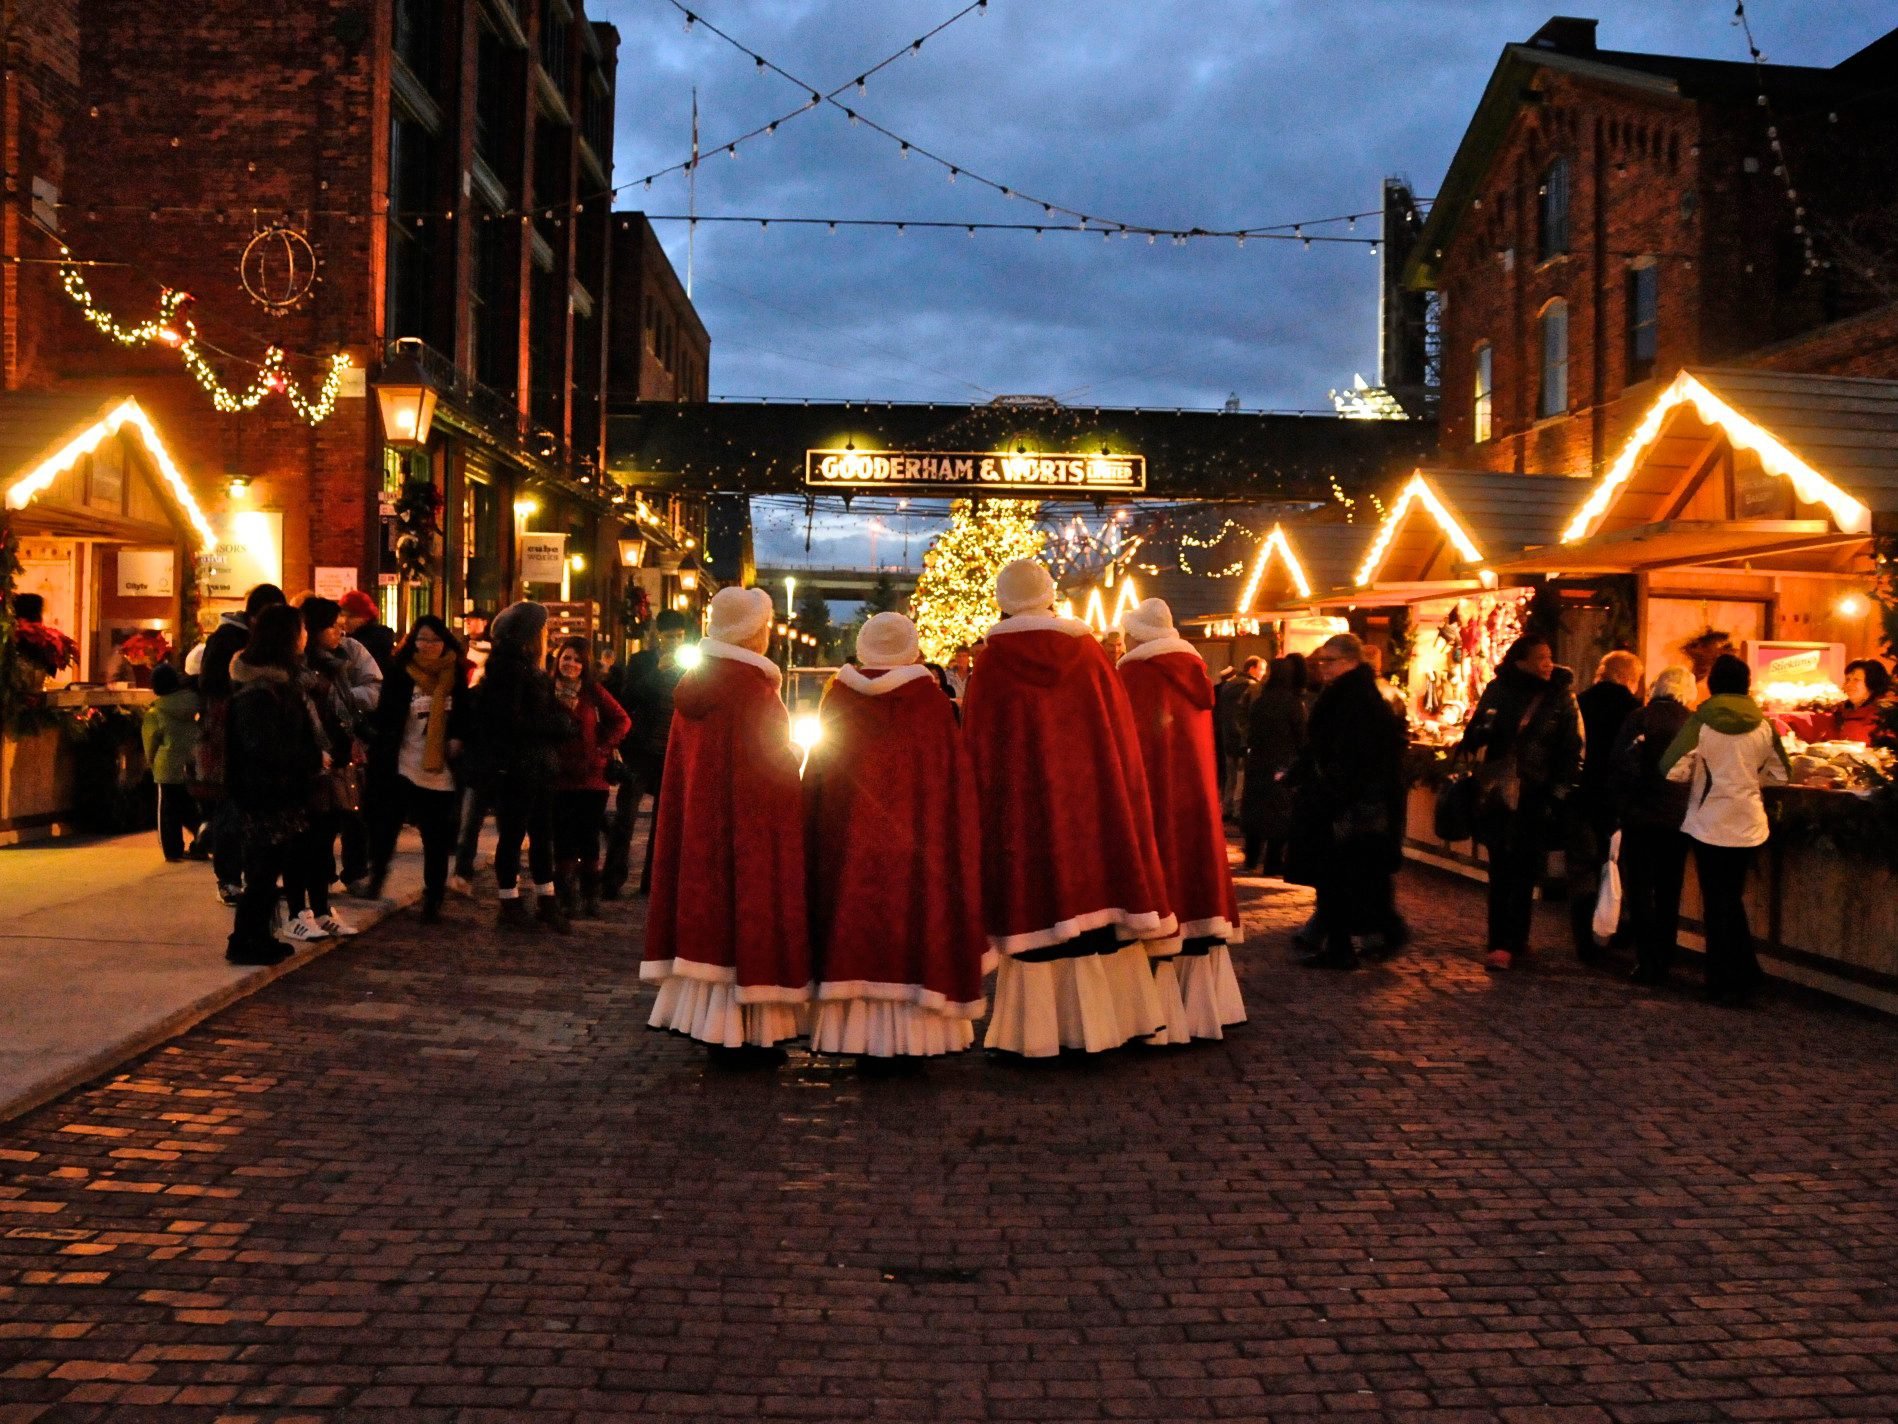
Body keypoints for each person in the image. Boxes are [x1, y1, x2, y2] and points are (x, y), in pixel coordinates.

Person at [961, 558, 1174, 1057]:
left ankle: (1035, 1035)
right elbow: (1117, 735)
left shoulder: (993, 662)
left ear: (1003, 600)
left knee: (1034, 908)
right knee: (1097, 911)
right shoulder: (1088, 653)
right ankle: (1114, 1022)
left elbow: (980, 749)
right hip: (1091, 809)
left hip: (1024, 814)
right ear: (1050, 595)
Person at [804, 612, 989, 1058]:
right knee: (916, 925)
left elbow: (822, 774)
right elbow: (952, 780)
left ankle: (850, 1033)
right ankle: (918, 1036)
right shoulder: (927, 702)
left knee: (852, 923)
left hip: (850, 843)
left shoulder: (840, 696)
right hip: (915, 845)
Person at [642, 586, 813, 1053]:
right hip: (748, 832)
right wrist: (797, 756)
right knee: (747, 920)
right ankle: (748, 1030)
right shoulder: (751, 688)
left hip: (702, 828)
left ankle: (705, 1020)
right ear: (751, 632)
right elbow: (770, 766)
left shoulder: (697, 685)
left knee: (708, 921)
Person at [1116, 599, 1246, 1040]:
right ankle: (1204, 1005)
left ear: (1137, 635)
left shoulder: (1134, 675)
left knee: (1159, 885)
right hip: (1196, 804)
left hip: (1149, 801)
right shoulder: (1197, 676)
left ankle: (1151, 1010)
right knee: (1194, 882)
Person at [1660, 653, 1789, 1005]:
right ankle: (1744, 973)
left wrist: (1698, 775)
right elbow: (1781, 773)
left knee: (1718, 901)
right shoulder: (1764, 725)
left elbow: (1669, 766)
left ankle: (1725, 979)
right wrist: (1750, 779)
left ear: (1713, 684)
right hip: (1749, 823)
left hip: (1708, 822)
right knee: (1730, 897)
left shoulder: (1700, 722)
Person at [1456, 635, 1582, 972]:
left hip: (1536, 794)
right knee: (1501, 867)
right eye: (1540, 656)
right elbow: (1474, 734)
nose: (1547, 662)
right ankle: (1500, 942)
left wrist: (1557, 792)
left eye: (1549, 655)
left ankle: (1517, 936)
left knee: (1526, 869)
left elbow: (1573, 748)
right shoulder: (1498, 690)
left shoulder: (1560, 695)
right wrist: (1480, 732)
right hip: (1499, 792)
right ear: (1520, 661)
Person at [1286, 634, 1407, 969]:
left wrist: (1333, 789)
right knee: (1343, 877)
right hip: (1343, 800)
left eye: (1330, 660)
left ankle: (1365, 938)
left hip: (1350, 804)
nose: (1322, 667)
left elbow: (1356, 755)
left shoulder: (1356, 699)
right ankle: (1344, 943)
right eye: (1321, 661)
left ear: (1351, 661)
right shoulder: (1345, 694)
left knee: (1346, 876)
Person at [222, 604, 323, 967]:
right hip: (264, 793)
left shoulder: (278, 683)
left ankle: (258, 937)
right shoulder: (260, 691)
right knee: (263, 870)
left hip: (276, 790)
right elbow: (262, 746)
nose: (306, 637)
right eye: (302, 630)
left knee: (268, 869)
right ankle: (245, 941)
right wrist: (304, 762)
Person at [467, 600, 572, 932]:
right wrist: (555, 725)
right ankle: (509, 902)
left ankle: (546, 899)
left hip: (537, 765)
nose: (547, 635)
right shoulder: (509, 670)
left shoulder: (528, 668)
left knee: (542, 834)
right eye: (544, 629)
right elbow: (511, 721)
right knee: (513, 835)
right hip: (518, 766)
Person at [360, 617, 471, 923]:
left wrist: (457, 738)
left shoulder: (455, 673)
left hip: (441, 771)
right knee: (386, 827)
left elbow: (464, 714)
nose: (428, 646)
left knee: (435, 839)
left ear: (445, 642)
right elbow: (386, 718)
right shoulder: (400, 672)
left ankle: (433, 898)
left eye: (434, 640)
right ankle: (376, 876)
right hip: (402, 764)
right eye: (421, 639)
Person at [197, 583, 286, 905]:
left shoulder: (258, 641)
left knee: (251, 812)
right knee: (231, 809)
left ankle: (251, 876)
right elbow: (210, 684)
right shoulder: (227, 640)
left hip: (249, 733)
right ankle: (229, 878)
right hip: (226, 734)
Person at [1609, 666, 1694, 986]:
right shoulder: (1693, 722)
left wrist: (1623, 807)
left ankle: (1646, 960)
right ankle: (1666, 955)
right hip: (1678, 818)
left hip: (1641, 817)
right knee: (1670, 889)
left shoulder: (1639, 718)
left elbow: (1621, 764)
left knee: (1641, 889)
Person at [285, 599, 362, 942]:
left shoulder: (335, 666)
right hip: (312, 764)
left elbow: (344, 712)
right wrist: (318, 750)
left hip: (336, 760)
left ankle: (320, 908)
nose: (340, 632)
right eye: (333, 625)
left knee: (325, 839)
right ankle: (297, 912)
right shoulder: (299, 672)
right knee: (306, 841)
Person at [602, 609, 691, 899]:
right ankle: (613, 879)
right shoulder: (642, 662)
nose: (675, 643)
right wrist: (658, 673)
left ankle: (652, 881)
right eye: (669, 638)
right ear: (658, 637)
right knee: (626, 816)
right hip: (641, 751)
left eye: (679, 638)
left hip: (671, 752)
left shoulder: (693, 665)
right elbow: (628, 697)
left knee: (662, 822)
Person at [550, 634, 631, 920]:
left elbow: (623, 720)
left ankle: (589, 894)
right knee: (563, 837)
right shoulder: (547, 690)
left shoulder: (593, 692)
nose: (570, 664)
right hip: (559, 775)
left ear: (585, 665)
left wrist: (603, 748)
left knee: (588, 836)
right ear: (558, 659)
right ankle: (565, 894)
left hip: (591, 776)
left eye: (576, 660)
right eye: (566, 657)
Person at [1568, 649, 1643, 958]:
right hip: (1616, 803)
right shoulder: (1634, 710)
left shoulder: (1579, 703)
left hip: (1581, 798)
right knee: (1613, 869)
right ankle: (1611, 931)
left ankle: (1585, 941)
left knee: (1582, 869)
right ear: (1627, 678)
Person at [1240, 655, 1308, 874]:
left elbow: (1250, 731)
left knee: (1256, 809)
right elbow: (1301, 736)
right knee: (1279, 812)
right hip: (1282, 764)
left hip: (1258, 761)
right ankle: (1272, 861)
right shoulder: (1293, 703)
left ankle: (1251, 857)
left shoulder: (1261, 700)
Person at [142, 661, 202, 862]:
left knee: (168, 813)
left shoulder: (156, 712)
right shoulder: (194, 702)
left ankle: (172, 851)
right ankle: (202, 839)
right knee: (189, 808)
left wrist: (150, 763)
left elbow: (151, 742)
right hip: (193, 764)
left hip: (167, 768)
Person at [1787, 658, 1896, 746]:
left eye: (1856, 680)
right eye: (1847, 679)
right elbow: (1814, 727)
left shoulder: (1885, 716)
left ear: (1872, 683)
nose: (1848, 685)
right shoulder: (1839, 713)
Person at [1213, 657, 1264, 817]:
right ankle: (1237, 811)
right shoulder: (1253, 687)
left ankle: (1226, 808)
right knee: (1242, 777)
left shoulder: (1227, 686)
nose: (1263, 673)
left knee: (1230, 776)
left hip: (1227, 737)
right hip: (1243, 738)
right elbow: (1252, 714)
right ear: (1252, 669)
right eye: (1261, 669)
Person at [338, 589, 396, 675]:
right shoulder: (377, 637)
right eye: (341, 616)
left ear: (363, 618)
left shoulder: (369, 643)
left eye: (348, 616)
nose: (344, 621)